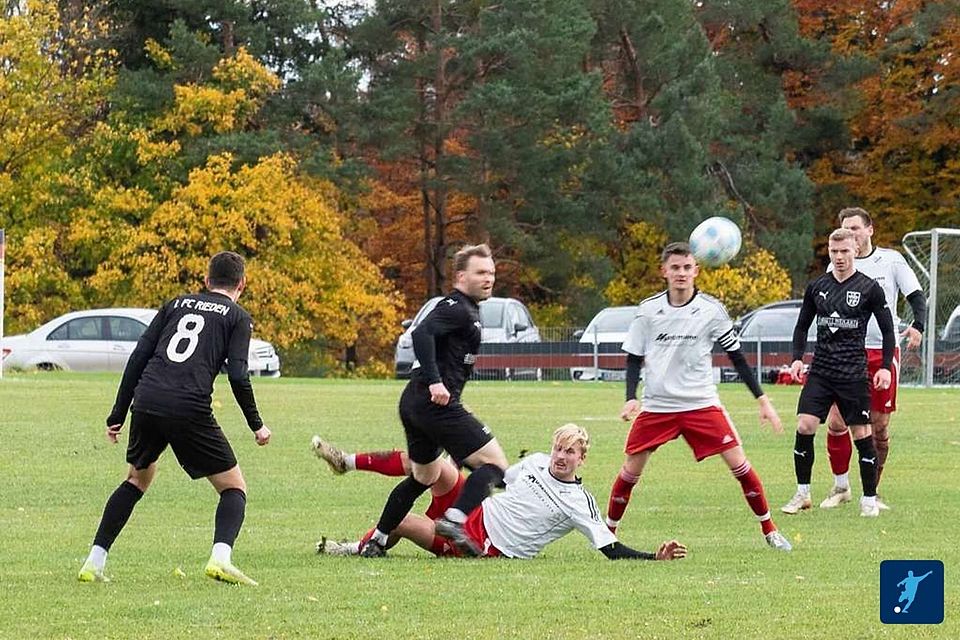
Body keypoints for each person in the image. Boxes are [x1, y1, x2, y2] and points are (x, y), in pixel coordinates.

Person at [77, 251, 272, 585]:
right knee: (233, 487)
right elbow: (238, 375)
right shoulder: (237, 316)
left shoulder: (175, 304)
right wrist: (257, 424)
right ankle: (221, 559)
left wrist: (117, 413)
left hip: (148, 400)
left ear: (207, 280)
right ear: (242, 283)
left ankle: (94, 562)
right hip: (189, 407)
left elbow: (138, 356)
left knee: (136, 480)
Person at [606, 242, 792, 552]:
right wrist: (630, 397)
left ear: (697, 270)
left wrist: (763, 400)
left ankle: (770, 530)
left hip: (701, 403)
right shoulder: (648, 310)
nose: (681, 273)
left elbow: (737, 357)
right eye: (675, 267)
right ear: (664, 271)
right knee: (630, 472)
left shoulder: (712, 310)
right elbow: (634, 357)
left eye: (686, 267)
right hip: (658, 405)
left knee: (740, 465)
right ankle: (607, 534)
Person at [319, 424, 688, 561]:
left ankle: (356, 546)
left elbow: (609, 548)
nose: (561, 457)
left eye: (570, 452)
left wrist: (652, 558)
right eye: (559, 448)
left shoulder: (580, 501)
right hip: (469, 512)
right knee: (432, 464)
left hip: (484, 543)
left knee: (400, 523)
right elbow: (494, 478)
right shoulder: (537, 462)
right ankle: (348, 461)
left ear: (582, 459)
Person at [359, 244, 509, 558]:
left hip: (415, 402)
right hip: (431, 402)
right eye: (481, 272)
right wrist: (436, 381)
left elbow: (451, 361)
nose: (488, 279)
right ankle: (454, 520)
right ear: (460, 276)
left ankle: (379, 540)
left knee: (423, 477)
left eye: (492, 273)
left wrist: (448, 391)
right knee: (495, 464)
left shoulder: (469, 310)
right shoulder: (455, 306)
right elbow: (421, 334)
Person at [781, 228, 896, 518]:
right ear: (829, 253)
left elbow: (887, 330)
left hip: (853, 373)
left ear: (855, 249)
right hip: (821, 371)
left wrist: (884, 366)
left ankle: (868, 499)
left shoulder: (869, 288)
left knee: (861, 433)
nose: (840, 257)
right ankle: (803, 493)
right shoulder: (818, 286)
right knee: (805, 425)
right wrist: (796, 359)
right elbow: (801, 326)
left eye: (844, 251)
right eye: (834, 252)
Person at [819, 208, 926, 511]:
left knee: (878, 427)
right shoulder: (835, 265)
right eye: (845, 229)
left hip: (882, 351)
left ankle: (872, 492)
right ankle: (841, 487)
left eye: (855, 228)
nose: (850, 235)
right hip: (845, 352)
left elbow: (915, 294)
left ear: (869, 230)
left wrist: (917, 324)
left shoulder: (890, 260)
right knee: (838, 422)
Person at [310, 435, 464, 554]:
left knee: (400, 521)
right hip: (475, 508)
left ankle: (353, 548)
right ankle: (345, 461)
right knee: (428, 462)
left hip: (474, 538)